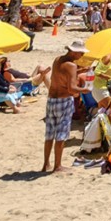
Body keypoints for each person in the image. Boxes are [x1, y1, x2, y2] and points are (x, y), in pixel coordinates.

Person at [44, 41, 88, 173]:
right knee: (61, 134)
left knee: (49, 134)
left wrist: (80, 70)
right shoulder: (72, 66)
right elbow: (72, 88)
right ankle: (58, 165)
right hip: (64, 101)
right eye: (80, 53)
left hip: (51, 100)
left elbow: (62, 73)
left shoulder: (58, 60)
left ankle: (46, 164)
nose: (81, 55)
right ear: (73, 51)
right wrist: (84, 89)